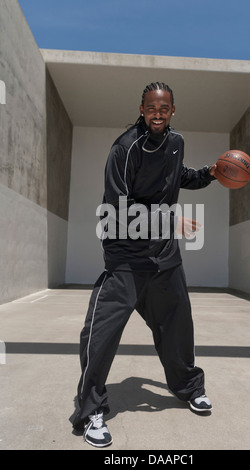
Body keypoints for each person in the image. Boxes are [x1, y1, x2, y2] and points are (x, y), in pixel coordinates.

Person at [72, 82, 217, 448]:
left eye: (164, 108)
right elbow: (118, 209)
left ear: (172, 111)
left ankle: (188, 388)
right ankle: (90, 410)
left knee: (178, 327)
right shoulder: (124, 148)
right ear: (141, 109)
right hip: (126, 258)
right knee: (100, 335)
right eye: (152, 108)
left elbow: (179, 176)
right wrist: (170, 220)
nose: (157, 113)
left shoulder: (175, 142)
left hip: (164, 258)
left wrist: (212, 172)